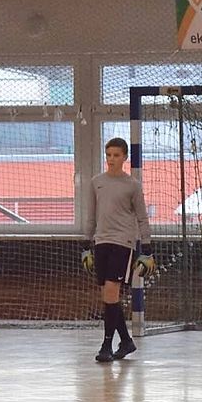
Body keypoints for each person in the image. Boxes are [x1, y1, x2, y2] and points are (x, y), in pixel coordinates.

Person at [82, 137, 154, 363]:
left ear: (124, 157)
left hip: (123, 242)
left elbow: (142, 217)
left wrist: (147, 249)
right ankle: (126, 340)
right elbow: (91, 215)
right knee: (108, 295)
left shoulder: (132, 185)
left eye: (116, 155)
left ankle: (106, 345)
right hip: (101, 241)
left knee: (112, 292)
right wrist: (85, 245)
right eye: (108, 155)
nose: (111, 159)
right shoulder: (96, 182)